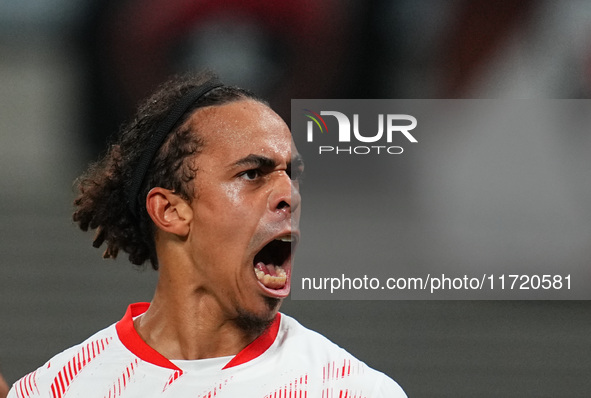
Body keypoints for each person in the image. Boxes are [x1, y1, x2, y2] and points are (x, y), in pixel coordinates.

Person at [8, 71, 406, 397]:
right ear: (171, 210)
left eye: (292, 174)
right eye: (252, 174)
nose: (289, 195)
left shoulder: (352, 390)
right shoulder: (57, 390)